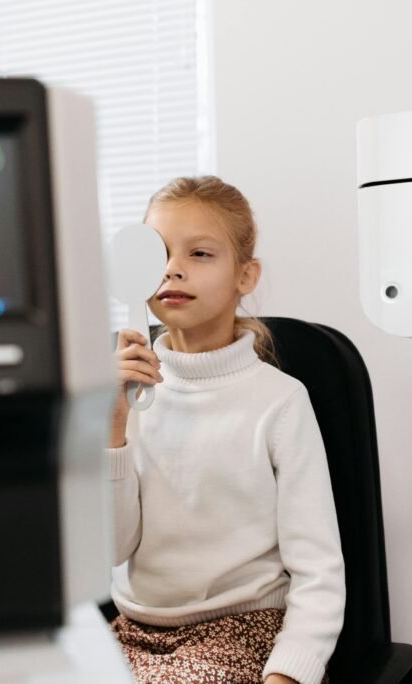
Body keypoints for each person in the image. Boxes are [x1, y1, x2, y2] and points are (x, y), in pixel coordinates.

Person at [107, 176, 345, 684]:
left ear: (246, 275)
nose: (173, 268)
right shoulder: (124, 396)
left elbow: (319, 574)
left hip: (245, 632)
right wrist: (113, 431)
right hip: (134, 632)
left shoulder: (280, 402)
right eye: (161, 253)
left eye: (199, 254)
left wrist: (288, 674)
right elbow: (110, 549)